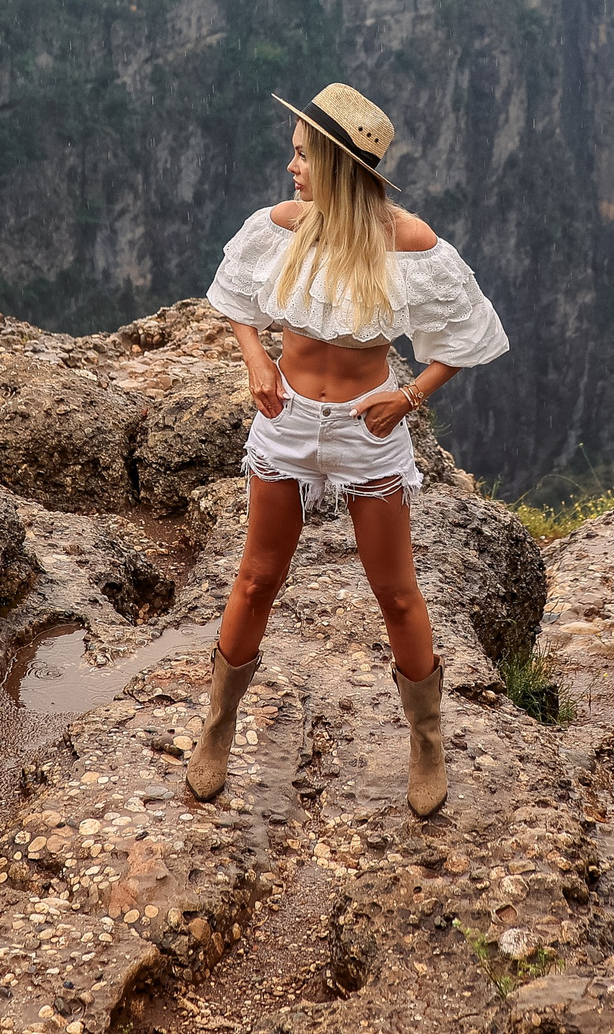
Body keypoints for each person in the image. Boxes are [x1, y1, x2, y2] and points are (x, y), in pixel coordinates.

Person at [188, 83, 509, 818]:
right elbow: (234, 297)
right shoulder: (284, 227)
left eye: (303, 155)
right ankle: (217, 727)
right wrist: (256, 360)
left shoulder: (408, 241)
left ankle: (427, 740)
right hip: (289, 423)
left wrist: (411, 394)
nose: (291, 166)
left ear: (334, 163)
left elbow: (466, 334)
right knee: (255, 579)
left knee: (397, 592)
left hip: (369, 433)